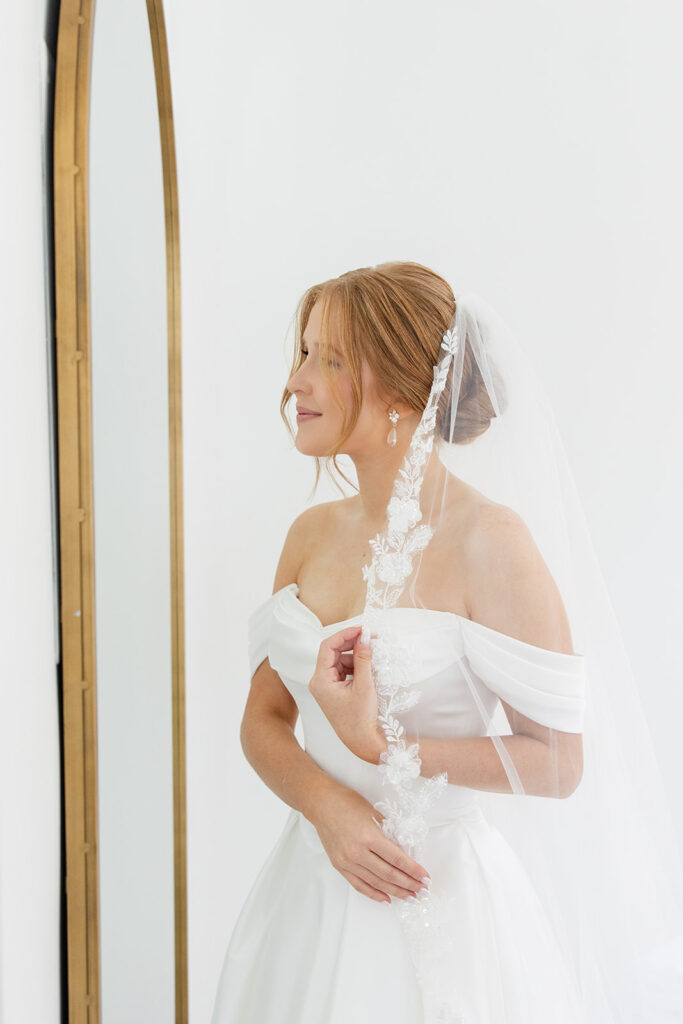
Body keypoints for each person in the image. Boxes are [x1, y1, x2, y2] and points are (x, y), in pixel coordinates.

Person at [211, 262, 683, 1023]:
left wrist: (381, 746)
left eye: (327, 359)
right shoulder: (309, 534)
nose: (295, 382)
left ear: (402, 388)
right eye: (301, 353)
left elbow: (558, 761)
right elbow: (262, 718)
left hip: (434, 900)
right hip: (310, 891)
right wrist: (328, 810)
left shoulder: (490, 542)